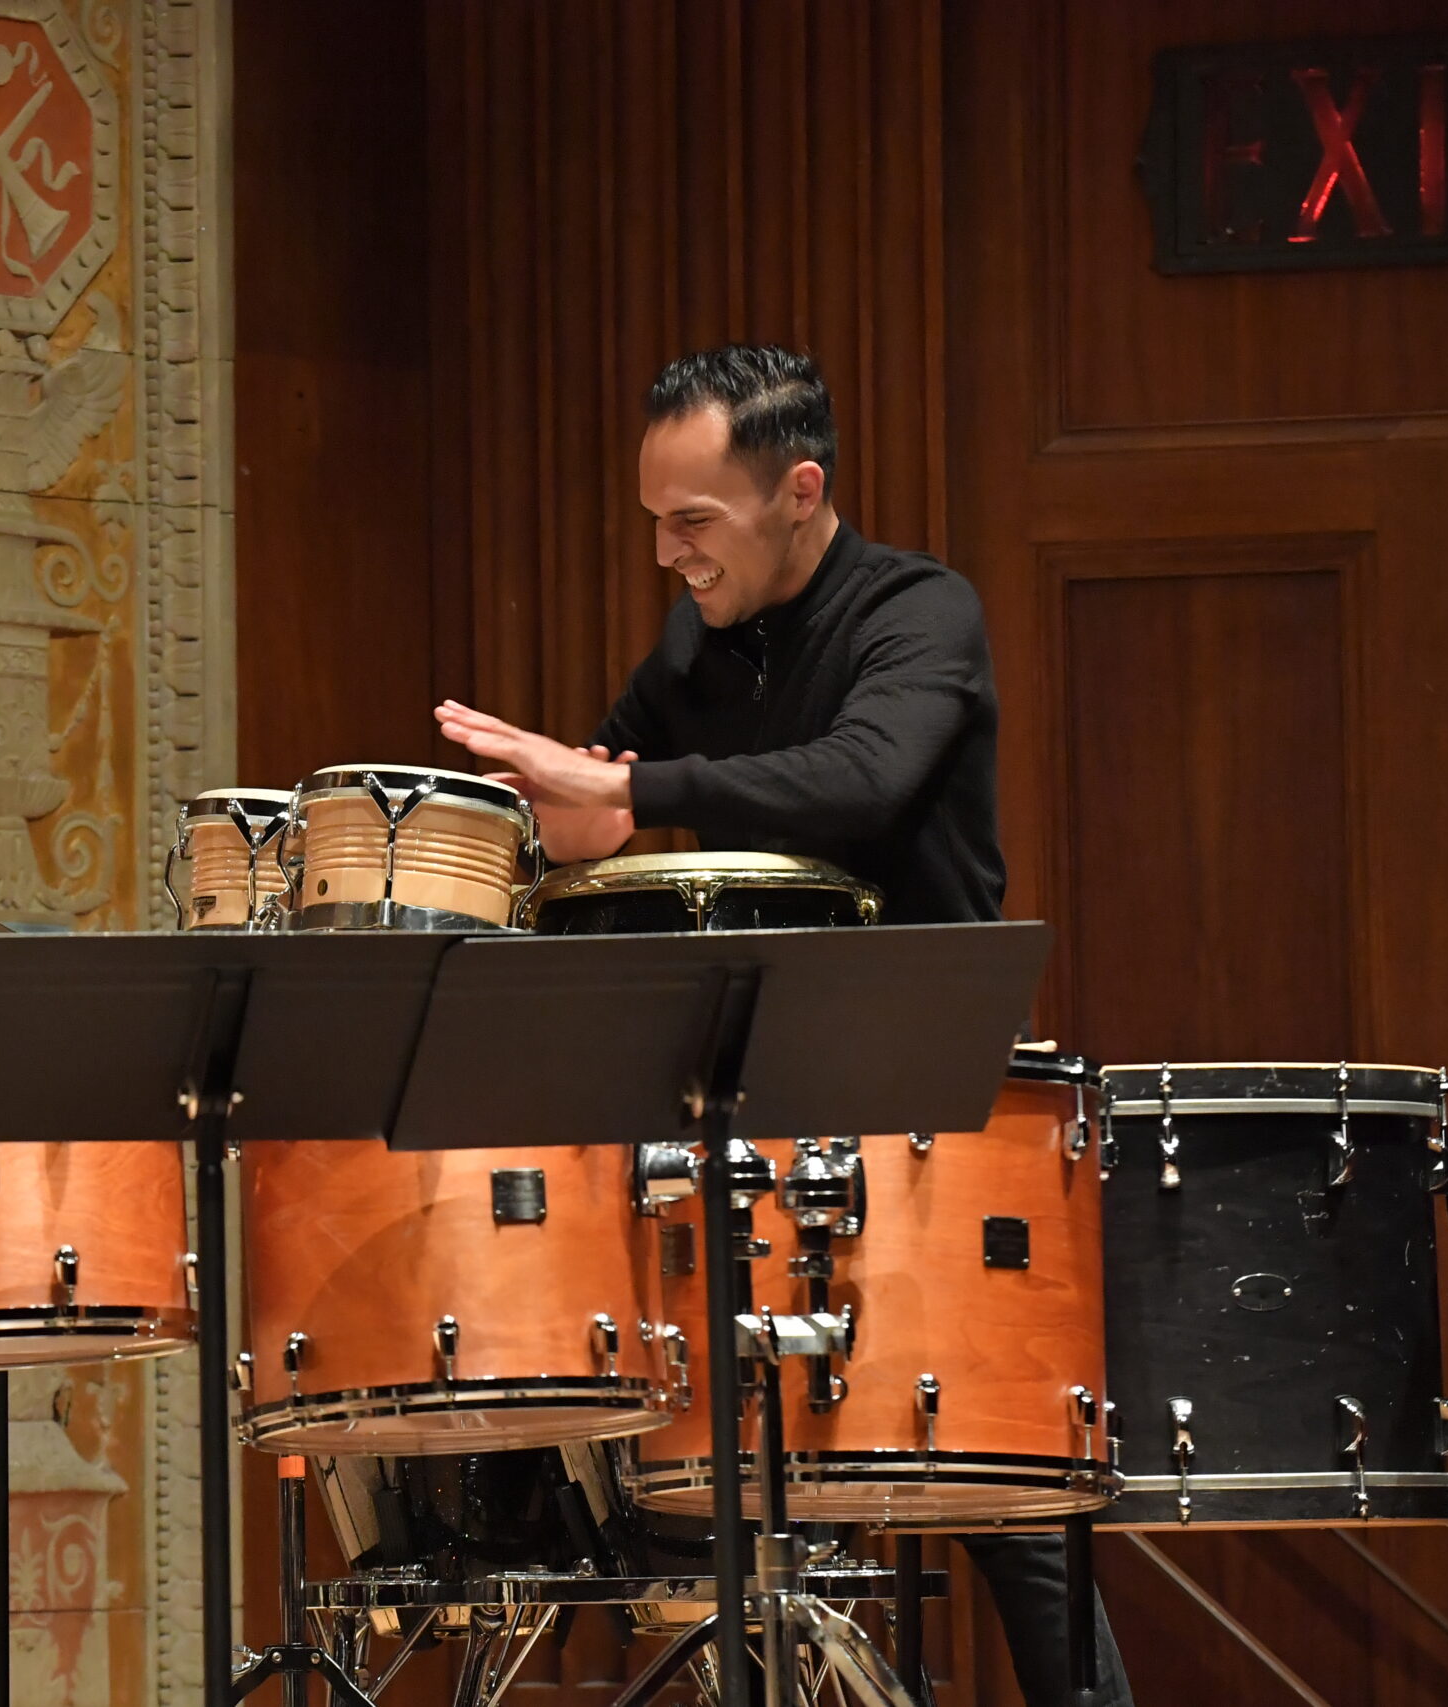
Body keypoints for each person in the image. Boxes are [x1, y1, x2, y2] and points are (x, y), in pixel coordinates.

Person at [435, 345, 1130, 1707]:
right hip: (754, 1122)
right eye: (653, 520)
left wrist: (637, 791)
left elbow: (865, 778)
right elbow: (614, 775)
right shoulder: (698, 644)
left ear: (800, 492)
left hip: (935, 1101)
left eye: (693, 522)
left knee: (1007, 1503)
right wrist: (561, 806)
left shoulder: (918, 614)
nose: (666, 554)